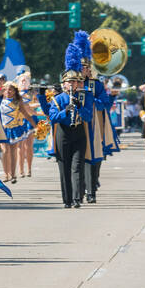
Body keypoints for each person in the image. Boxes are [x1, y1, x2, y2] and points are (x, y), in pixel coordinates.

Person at [48, 49, 93, 208]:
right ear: (64, 83)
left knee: (77, 166)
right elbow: (53, 118)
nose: (72, 84)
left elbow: (88, 117)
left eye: (75, 82)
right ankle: (66, 199)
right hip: (63, 133)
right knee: (64, 168)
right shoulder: (58, 98)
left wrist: (79, 108)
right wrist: (65, 111)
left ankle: (76, 199)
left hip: (79, 133)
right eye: (69, 82)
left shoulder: (85, 96)